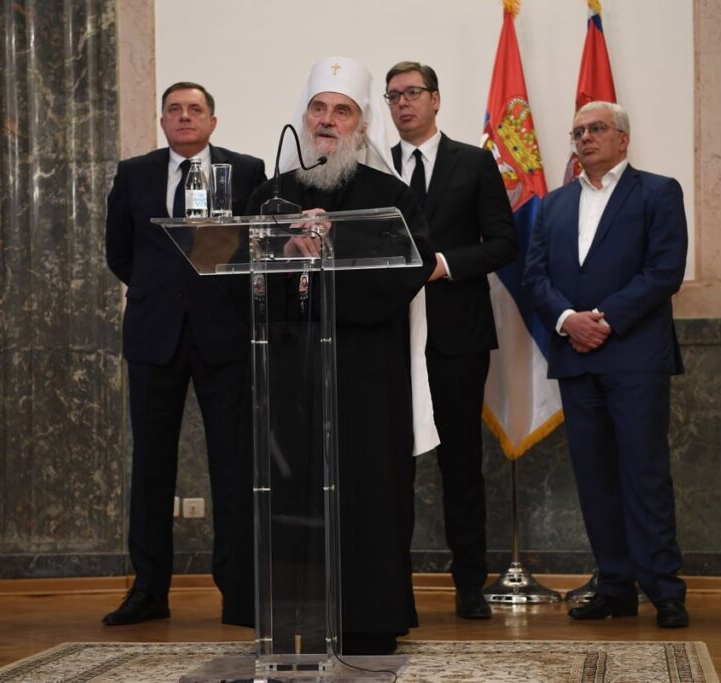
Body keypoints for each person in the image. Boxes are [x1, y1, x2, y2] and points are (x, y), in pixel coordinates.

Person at [232, 56, 436, 656]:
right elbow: (237, 279)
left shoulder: (390, 195)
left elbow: (412, 268)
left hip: (364, 374)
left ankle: (367, 620)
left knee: (366, 494)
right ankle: (285, 616)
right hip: (287, 374)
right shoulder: (270, 195)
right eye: (318, 109)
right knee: (285, 494)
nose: (327, 120)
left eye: (341, 111)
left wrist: (333, 247)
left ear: (361, 124)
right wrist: (284, 251)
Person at [103, 81, 266, 625]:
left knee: (233, 467)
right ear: (162, 122)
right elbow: (119, 253)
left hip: (225, 337)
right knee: (151, 467)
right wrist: (164, 292)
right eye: (174, 109)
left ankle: (239, 591)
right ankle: (149, 590)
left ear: (212, 121)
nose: (184, 116)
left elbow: (253, 247)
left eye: (195, 109)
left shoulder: (246, 171)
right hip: (155, 337)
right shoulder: (135, 174)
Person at [523, 101, 690, 629]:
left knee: (644, 475)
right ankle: (615, 585)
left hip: (636, 358)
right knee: (594, 480)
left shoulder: (658, 192)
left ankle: (664, 591)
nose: (585, 138)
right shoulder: (553, 204)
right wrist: (568, 320)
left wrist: (605, 320)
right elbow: (535, 277)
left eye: (597, 128)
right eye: (577, 132)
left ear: (623, 138)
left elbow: (664, 271)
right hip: (576, 357)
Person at [384, 61, 517, 620]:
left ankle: (469, 584)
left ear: (435, 99)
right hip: (387, 337)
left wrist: (445, 264)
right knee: (390, 468)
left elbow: (504, 242)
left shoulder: (474, 161)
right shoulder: (374, 164)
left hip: (456, 334)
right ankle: (388, 586)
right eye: (393, 96)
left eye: (412, 93)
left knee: (461, 464)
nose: (402, 103)